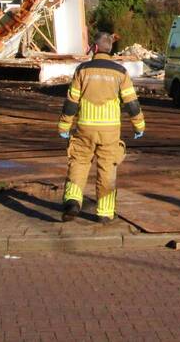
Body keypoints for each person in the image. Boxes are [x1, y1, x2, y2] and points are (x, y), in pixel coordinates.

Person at [58, 32, 145, 224]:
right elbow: (131, 103)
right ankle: (105, 213)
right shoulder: (120, 72)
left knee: (79, 163)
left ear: (94, 48)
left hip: (85, 128)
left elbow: (71, 101)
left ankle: (73, 201)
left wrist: (64, 126)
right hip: (110, 131)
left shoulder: (82, 70)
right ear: (109, 49)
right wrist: (139, 125)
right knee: (107, 169)